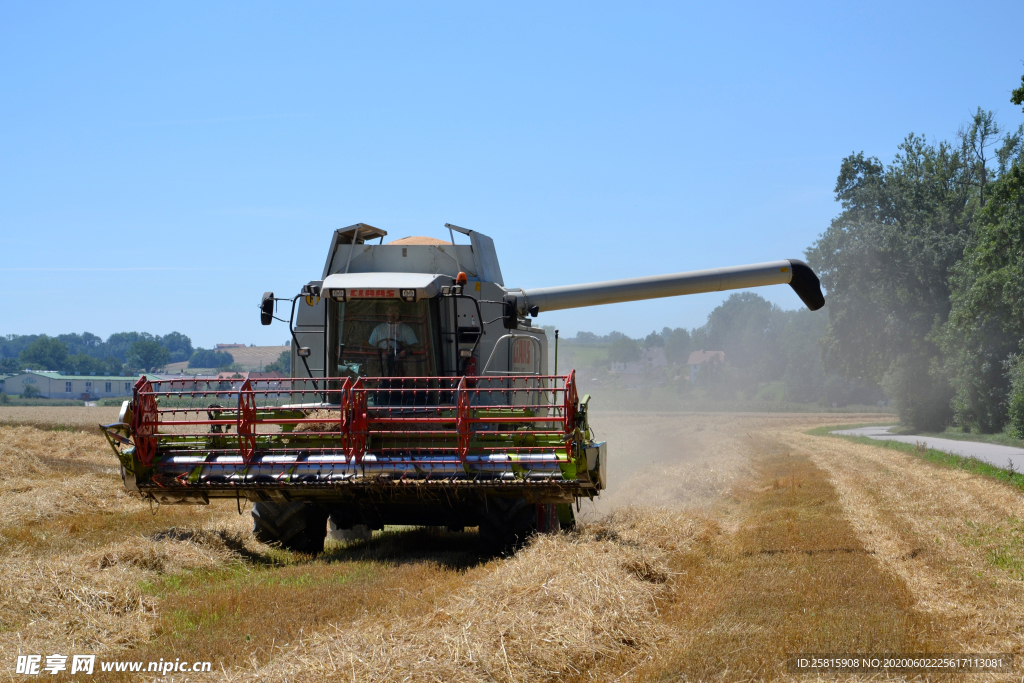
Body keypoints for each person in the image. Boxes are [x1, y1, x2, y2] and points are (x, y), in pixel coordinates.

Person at [368, 305, 418, 377]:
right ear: (386, 313)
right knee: (369, 361)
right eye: (390, 311)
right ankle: (374, 384)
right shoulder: (378, 329)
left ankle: (409, 383)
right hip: (381, 358)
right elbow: (371, 346)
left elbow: (414, 346)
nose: (393, 314)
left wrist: (404, 348)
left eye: (395, 312)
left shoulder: (406, 329)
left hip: (400, 359)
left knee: (412, 361)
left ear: (399, 314)